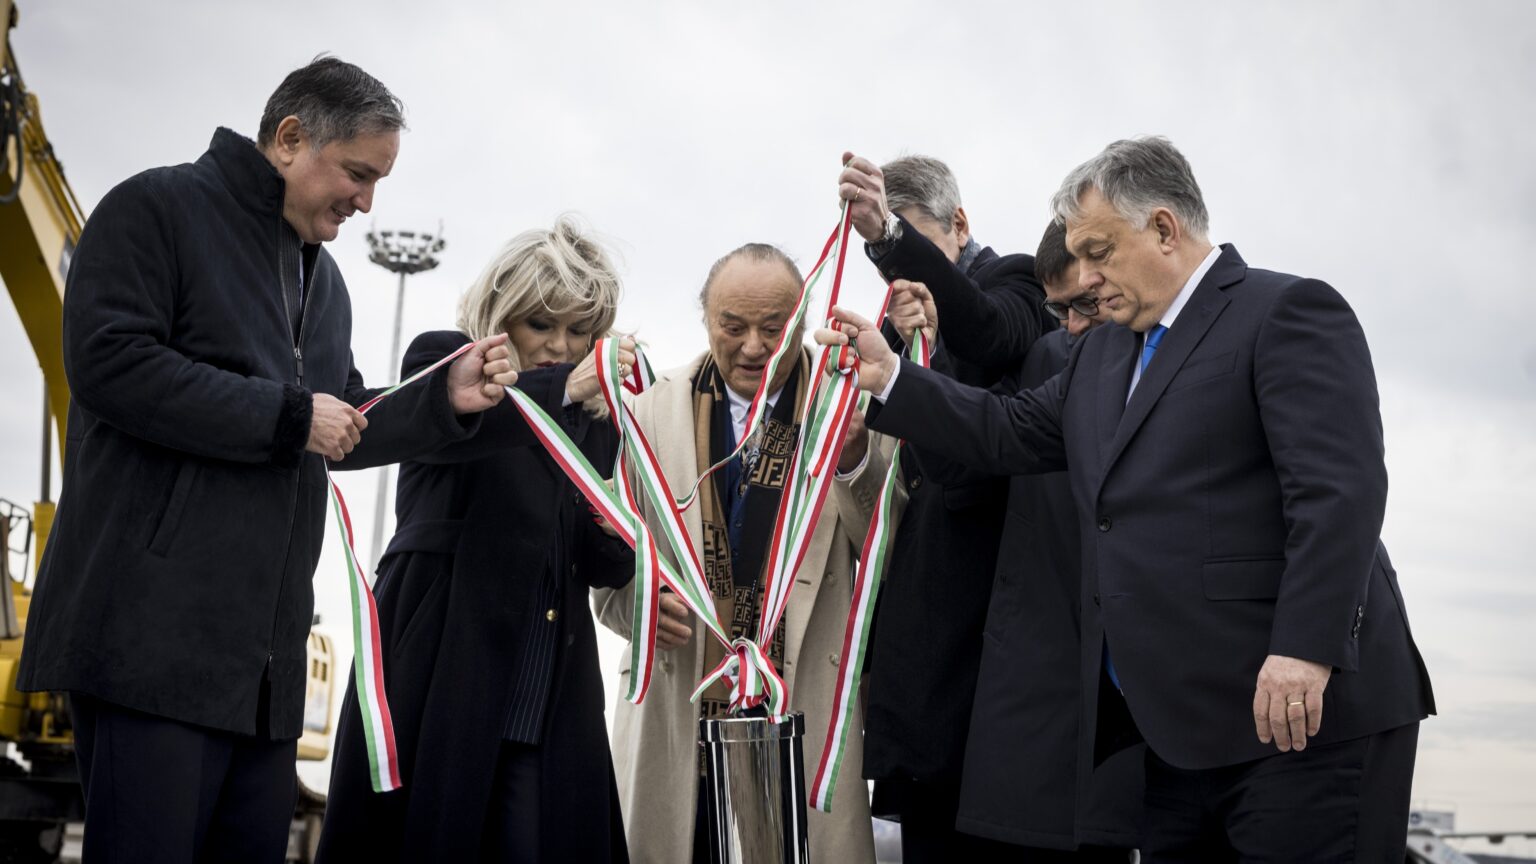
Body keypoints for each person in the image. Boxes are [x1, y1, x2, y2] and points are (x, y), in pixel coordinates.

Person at [825, 137, 1435, 862]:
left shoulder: (1286, 311)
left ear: (1165, 230)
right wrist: (895, 377)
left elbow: (1340, 494)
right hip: (1170, 740)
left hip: (1303, 720)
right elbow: (1006, 429)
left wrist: (1304, 649)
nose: (1084, 277)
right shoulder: (1103, 353)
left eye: (1099, 252)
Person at [16, 58, 516, 863]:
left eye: (378, 181)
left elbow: (341, 418)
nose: (366, 201)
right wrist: (285, 415)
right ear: (290, 138)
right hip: (150, 647)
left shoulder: (327, 284)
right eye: (357, 173)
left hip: (266, 674)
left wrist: (441, 398)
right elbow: (110, 364)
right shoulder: (156, 208)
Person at [316, 218, 637, 862]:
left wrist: (618, 540)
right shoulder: (444, 360)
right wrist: (564, 390)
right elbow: (476, 428)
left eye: (579, 331)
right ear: (502, 315)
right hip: (440, 665)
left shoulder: (596, 414)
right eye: (541, 325)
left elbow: (601, 562)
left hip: (549, 680)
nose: (559, 346)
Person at [593, 243, 885, 864]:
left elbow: (884, 551)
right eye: (734, 326)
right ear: (706, 320)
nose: (754, 346)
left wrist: (856, 459)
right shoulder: (646, 408)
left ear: (802, 323)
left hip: (801, 704)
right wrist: (639, 609)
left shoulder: (846, 406)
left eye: (774, 329)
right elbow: (607, 569)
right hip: (681, 708)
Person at [837, 153, 1052, 861]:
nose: (901, 280)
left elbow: (991, 334)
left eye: (914, 245)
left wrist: (896, 246)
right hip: (927, 648)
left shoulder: (1015, 281)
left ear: (959, 226)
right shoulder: (893, 335)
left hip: (998, 640)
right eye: (888, 262)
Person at [929, 223, 1144, 859]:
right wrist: (896, 376)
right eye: (1062, 310)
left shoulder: (1184, 352)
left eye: (1085, 305)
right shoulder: (1053, 357)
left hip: (1161, 686)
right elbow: (971, 450)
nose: (1074, 325)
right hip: (1046, 671)